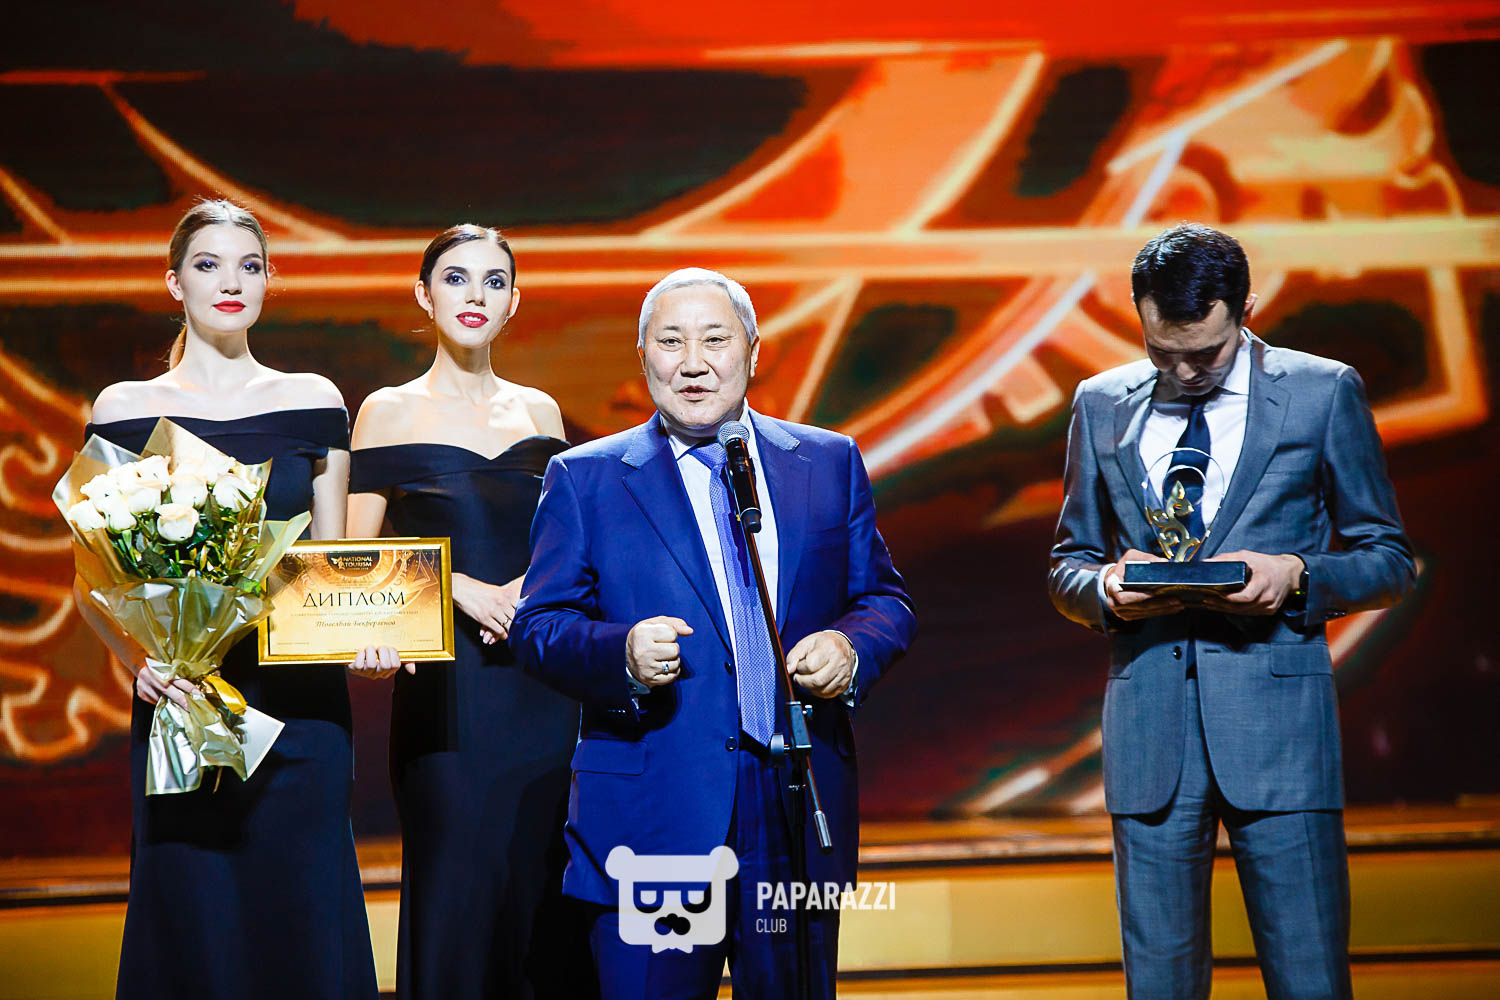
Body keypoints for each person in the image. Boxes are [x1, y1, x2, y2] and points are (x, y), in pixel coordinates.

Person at [510, 267, 917, 999]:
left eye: (714, 340)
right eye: (671, 342)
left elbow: (884, 599)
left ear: (753, 352)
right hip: (655, 816)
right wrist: (620, 653)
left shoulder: (827, 462)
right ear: (643, 357)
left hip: (792, 802)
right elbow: (539, 626)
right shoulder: (586, 478)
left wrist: (851, 648)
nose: (693, 363)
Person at [1049, 223, 1415, 999]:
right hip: (1150, 738)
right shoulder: (1100, 404)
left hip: (1280, 737)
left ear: (1247, 310)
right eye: (1162, 353)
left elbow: (1388, 559)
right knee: (1160, 985)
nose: (1184, 373)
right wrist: (1109, 588)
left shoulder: (1322, 391)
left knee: (1309, 977)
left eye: (1206, 355)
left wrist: (1296, 574)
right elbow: (1067, 566)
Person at [79, 199, 386, 998]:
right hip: (185, 704)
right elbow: (93, 584)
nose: (230, 282)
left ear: (268, 281)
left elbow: (327, 569)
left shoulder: (313, 399)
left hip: (302, 712)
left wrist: (368, 637)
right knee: (196, 923)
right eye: (209, 265)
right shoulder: (123, 409)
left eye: (250, 266)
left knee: (303, 919)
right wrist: (141, 662)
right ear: (173, 282)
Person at [346, 224, 593, 1000]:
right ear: (424, 295)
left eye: (493, 281)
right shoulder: (386, 411)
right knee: (457, 886)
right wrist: (460, 589)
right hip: (448, 684)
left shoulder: (540, 412)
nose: (475, 296)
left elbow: (562, 542)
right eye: (456, 279)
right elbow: (348, 559)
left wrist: (527, 588)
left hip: (537, 679)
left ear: (514, 301)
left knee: (540, 885)